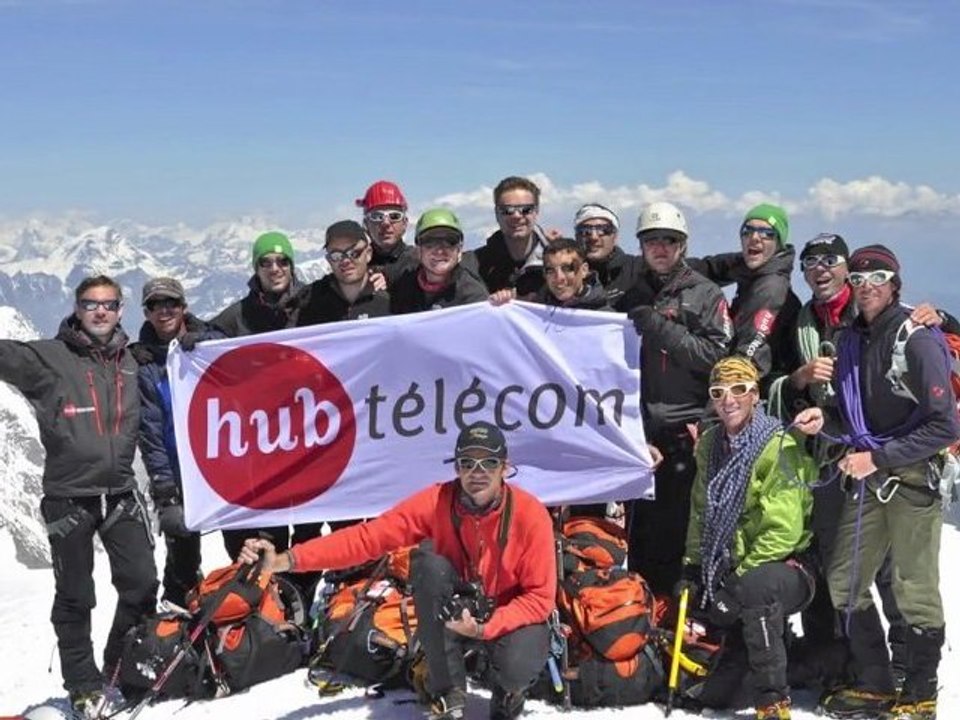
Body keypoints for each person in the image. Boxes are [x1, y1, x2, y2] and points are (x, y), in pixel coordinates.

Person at [238, 421, 556, 720]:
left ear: (504, 467)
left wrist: (485, 629)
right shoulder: (438, 501)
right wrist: (284, 561)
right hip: (455, 612)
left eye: (488, 463)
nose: (477, 472)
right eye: (467, 463)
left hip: (508, 615)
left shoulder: (531, 516)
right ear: (456, 467)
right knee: (427, 563)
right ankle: (449, 691)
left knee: (518, 662)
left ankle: (509, 693)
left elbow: (540, 599)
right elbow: (367, 539)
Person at [767, 234, 958, 694]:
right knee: (845, 580)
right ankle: (877, 679)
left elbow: (945, 425)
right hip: (861, 470)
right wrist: (821, 415)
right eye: (861, 277)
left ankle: (917, 686)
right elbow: (852, 408)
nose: (867, 284)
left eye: (878, 277)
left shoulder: (913, 335)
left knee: (909, 584)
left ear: (894, 283)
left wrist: (876, 457)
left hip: (904, 474)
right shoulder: (845, 336)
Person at [0, 275, 158, 717]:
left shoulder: (131, 359)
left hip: (121, 493)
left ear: (121, 309)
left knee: (142, 582)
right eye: (92, 304)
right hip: (69, 498)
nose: (101, 312)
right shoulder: (50, 359)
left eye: (109, 304)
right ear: (77, 308)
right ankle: (84, 686)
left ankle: (116, 670)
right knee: (74, 594)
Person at [679, 356, 818, 720]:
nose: (729, 399)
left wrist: (738, 585)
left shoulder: (777, 444)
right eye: (719, 392)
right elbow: (701, 510)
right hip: (733, 564)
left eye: (739, 389)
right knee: (718, 696)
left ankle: (773, 699)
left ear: (755, 394)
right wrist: (693, 567)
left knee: (756, 590)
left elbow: (782, 529)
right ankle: (744, 667)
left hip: (786, 567)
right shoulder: (710, 445)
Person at [625, 201, 733, 595]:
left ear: (683, 245)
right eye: (651, 240)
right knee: (639, 538)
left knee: (678, 537)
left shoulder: (705, 294)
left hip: (687, 433)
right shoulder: (633, 291)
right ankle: (641, 625)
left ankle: (678, 626)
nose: (660, 248)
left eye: (669, 240)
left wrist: (660, 329)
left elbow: (718, 356)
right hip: (641, 433)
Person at [210, 231, 301, 559]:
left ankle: (305, 602)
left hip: (310, 437)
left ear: (292, 266)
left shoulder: (312, 304)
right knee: (268, 542)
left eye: (281, 261)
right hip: (260, 443)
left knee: (308, 538)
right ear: (256, 268)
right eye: (265, 262)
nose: (274, 268)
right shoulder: (239, 315)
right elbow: (206, 337)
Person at [131, 277, 219, 609]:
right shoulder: (142, 364)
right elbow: (150, 433)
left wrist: (205, 347)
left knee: (246, 550)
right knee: (182, 563)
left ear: (184, 307)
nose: (164, 310)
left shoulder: (210, 344)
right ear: (146, 313)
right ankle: (181, 631)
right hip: (179, 476)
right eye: (155, 305)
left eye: (171, 303)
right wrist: (165, 490)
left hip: (223, 468)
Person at [689, 203, 801, 386]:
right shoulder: (752, 265)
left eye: (767, 233)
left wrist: (718, 403)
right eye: (747, 231)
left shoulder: (770, 290)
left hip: (758, 392)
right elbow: (711, 268)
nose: (755, 238)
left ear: (778, 243)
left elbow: (748, 357)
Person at [461, 176, 548, 299]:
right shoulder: (473, 266)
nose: (517, 216)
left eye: (526, 209)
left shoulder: (558, 262)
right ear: (496, 214)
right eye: (507, 210)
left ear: (536, 212)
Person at [291, 220, 391, 325]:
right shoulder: (311, 303)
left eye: (354, 253)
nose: (345, 261)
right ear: (329, 260)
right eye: (336, 255)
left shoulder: (388, 303)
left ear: (368, 253)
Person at [390, 208, 489, 314]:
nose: (440, 251)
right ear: (418, 250)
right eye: (430, 242)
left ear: (459, 250)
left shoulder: (473, 296)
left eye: (449, 241)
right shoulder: (403, 287)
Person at [572, 203, 644, 310]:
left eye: (603, 230)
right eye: (585, 231)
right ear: (576, 237)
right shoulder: (566, 274)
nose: (594, 237)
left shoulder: (638, 269)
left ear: (615, 237)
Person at [356, 179, 418, 284]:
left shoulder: (419, 264)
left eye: (394, 216)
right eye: (377, 216)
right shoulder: (355, 264)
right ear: (366, 224)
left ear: (405, 223)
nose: (386, 223)